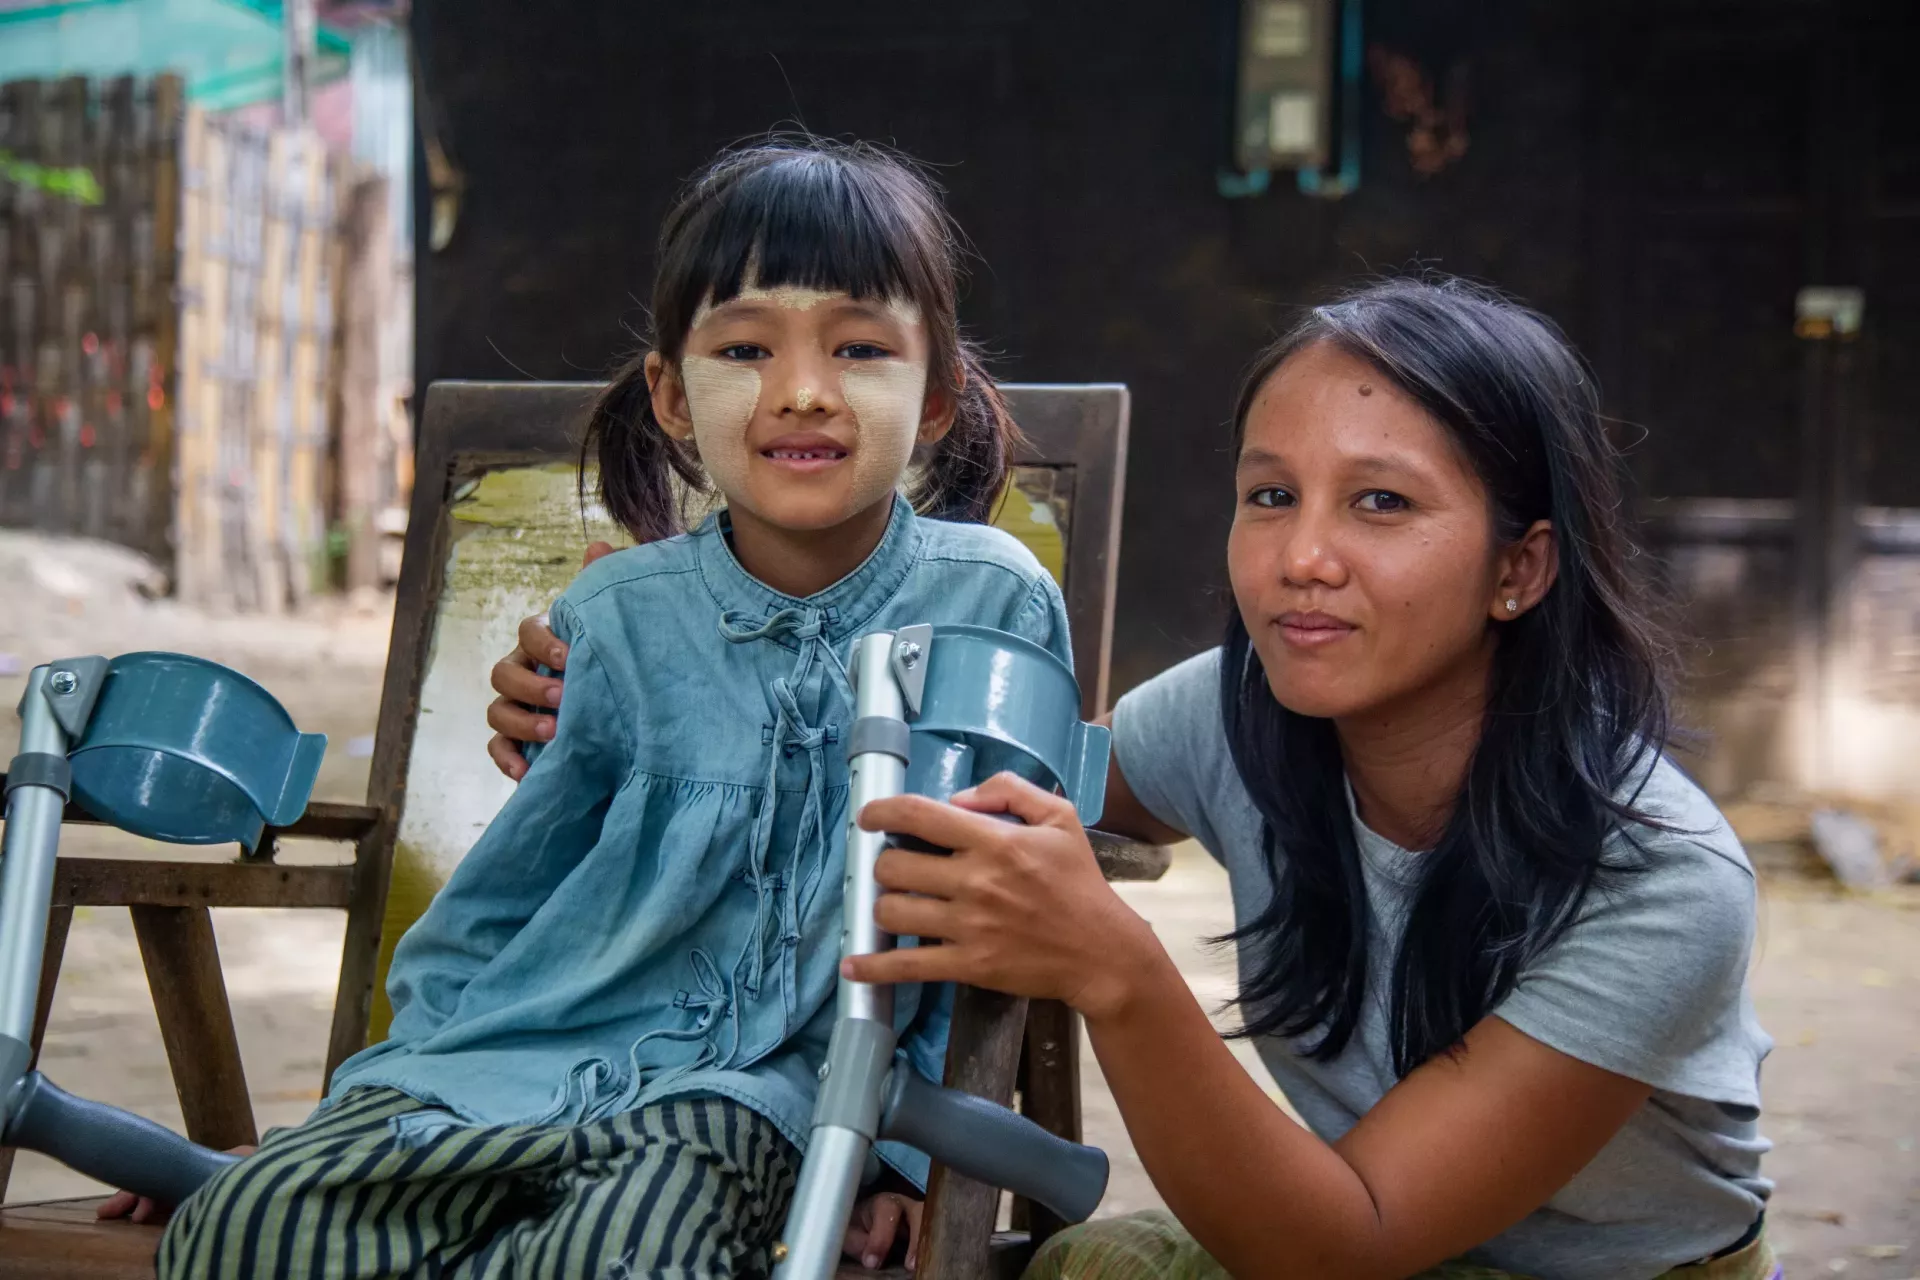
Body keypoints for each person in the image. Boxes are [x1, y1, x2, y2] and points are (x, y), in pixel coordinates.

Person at [492, 277, 1776, 1279]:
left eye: (1380, 503)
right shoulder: (1241, 720)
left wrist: (1112, 961)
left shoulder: (1658, 875)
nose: (1303, 557)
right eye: (1270, 494)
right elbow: (951, 789)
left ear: (1521, 567)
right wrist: (620, 713)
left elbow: (1352, 1239)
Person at [128, 137, 1073, 1279]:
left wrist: (917, 1167)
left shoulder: (991, 601)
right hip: (510, 1057)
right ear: (673, 396)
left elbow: (991, 917)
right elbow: (510, 889)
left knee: (616, 1252)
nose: (804, 388)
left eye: (861, 346)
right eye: (745, 347)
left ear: (935, 399)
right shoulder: (616, 615)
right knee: (240, 1228)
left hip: (747, 1099)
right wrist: (370, 1103)